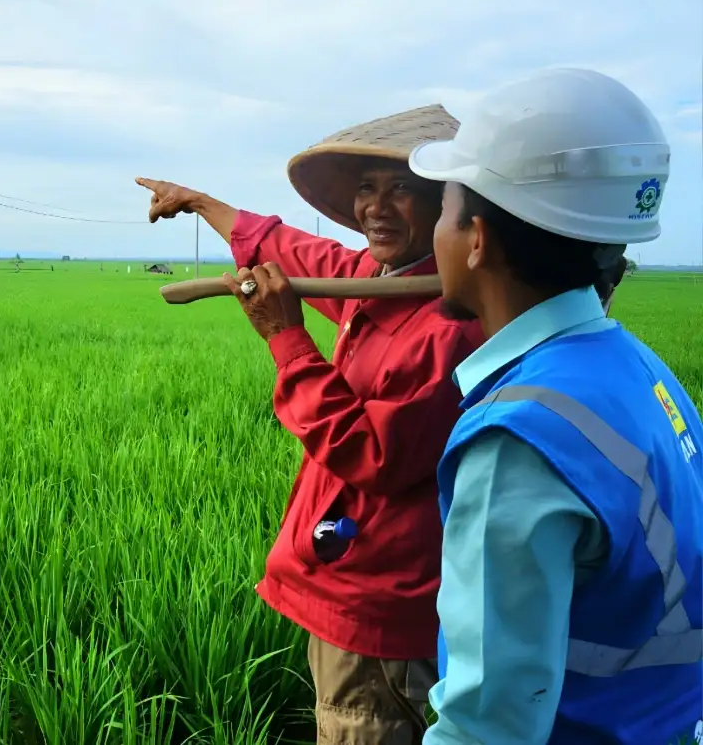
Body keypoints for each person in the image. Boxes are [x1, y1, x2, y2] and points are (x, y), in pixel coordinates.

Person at [138, 104, 485, 745]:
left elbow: (373, 455)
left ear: (450, 207)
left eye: (402, 189)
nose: (375, 208)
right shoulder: (376, 276)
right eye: (365, 189)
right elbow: (296, 249)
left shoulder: (447, 329)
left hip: (378, 600)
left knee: (363, 728)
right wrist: (201, 202)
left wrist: (286, 339)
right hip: (347, 578)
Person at [406, 66, 703, 744]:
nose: (436, 239)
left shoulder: (519, 437)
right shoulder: (640, 370)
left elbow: (489, 726)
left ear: (476, 239)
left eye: (444, 213)